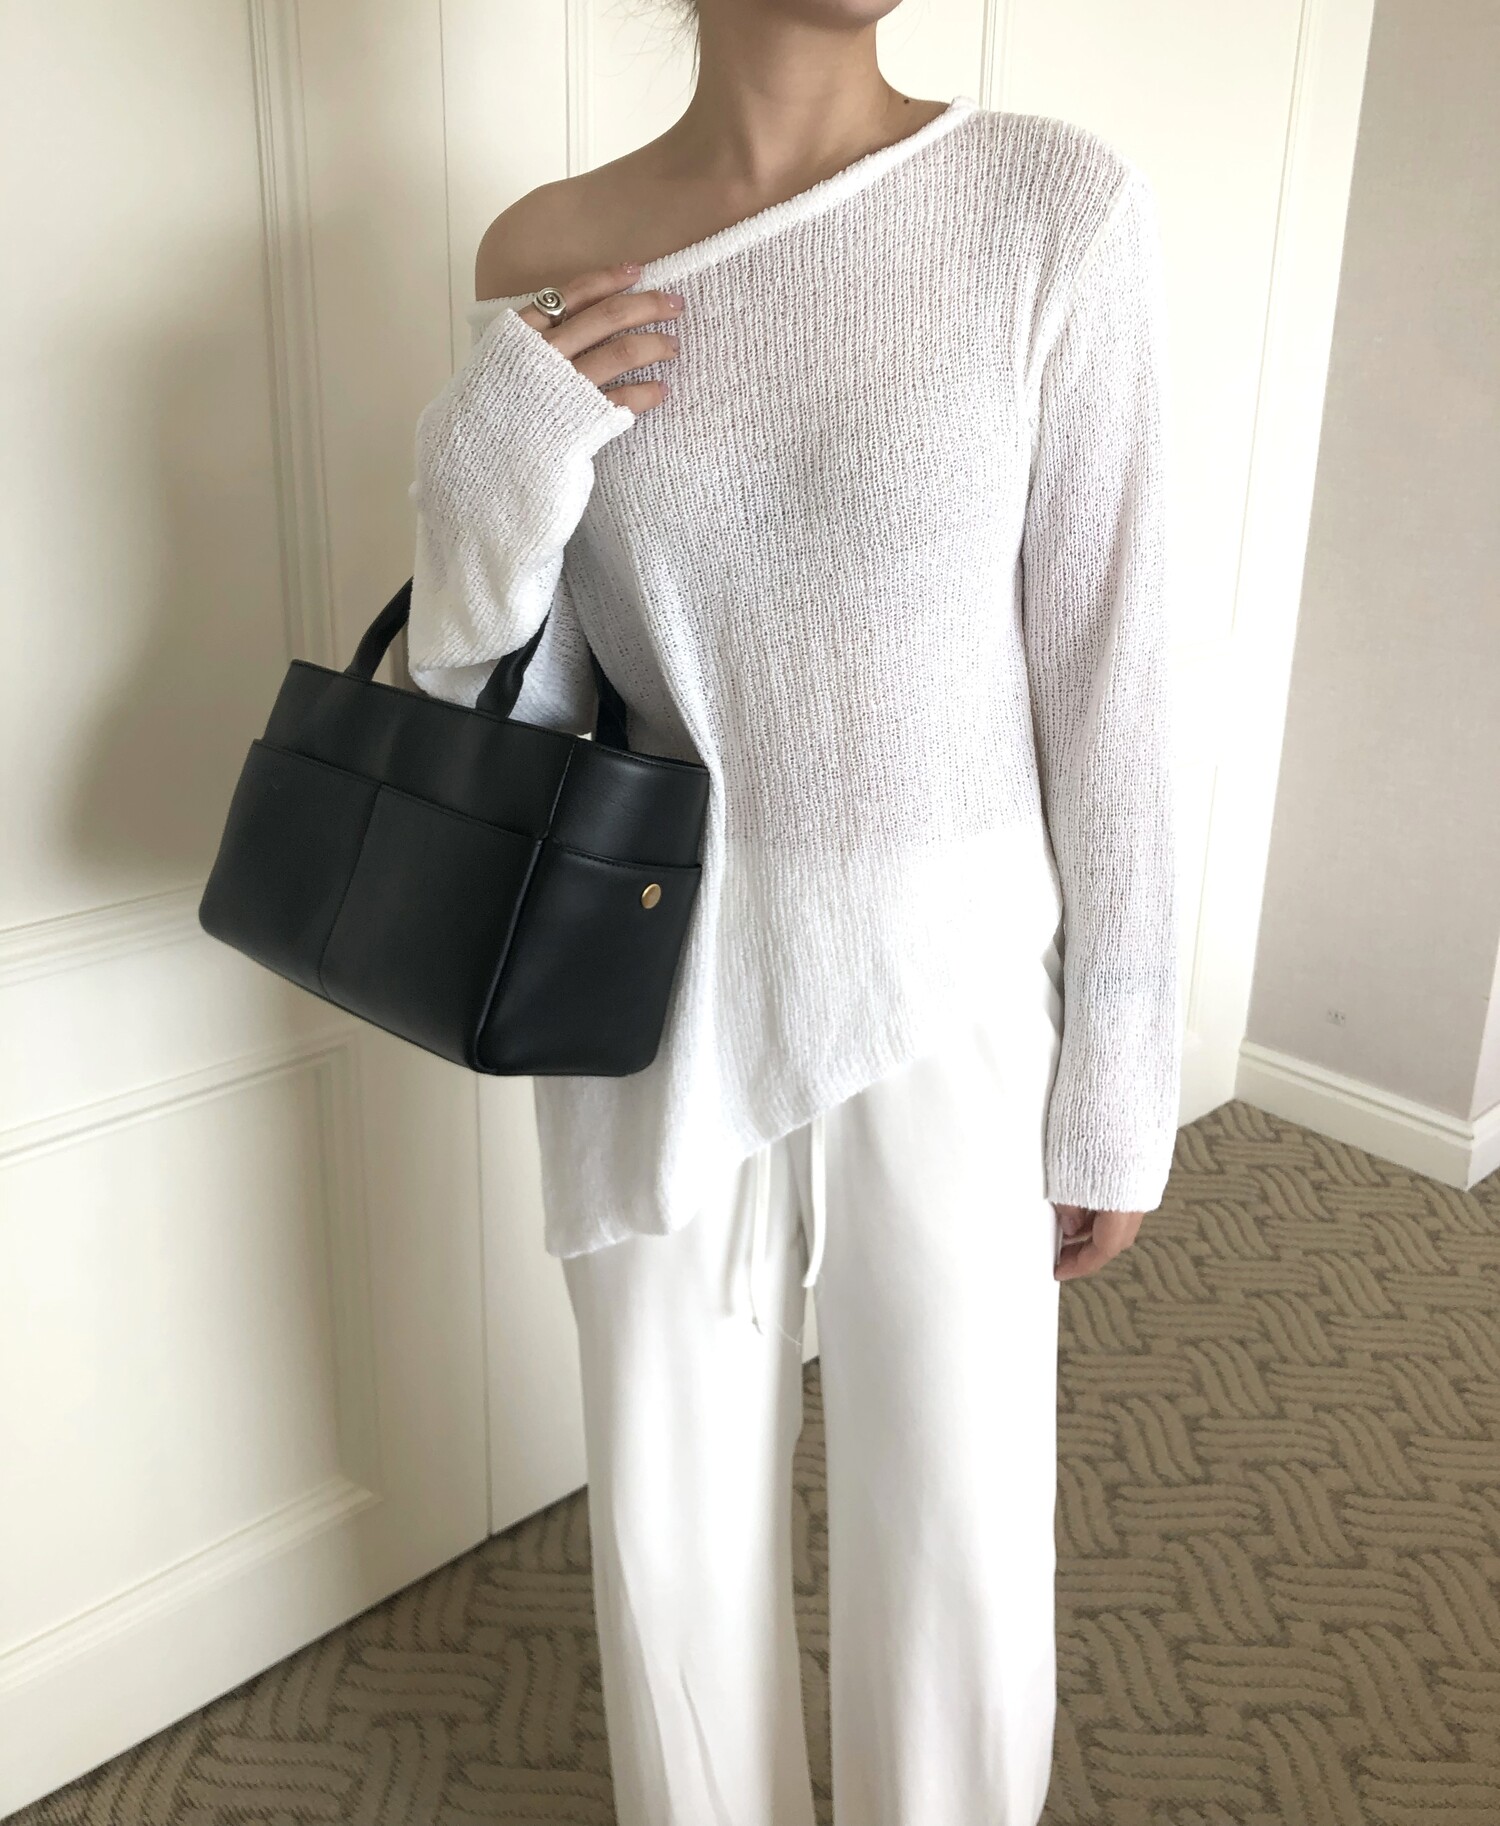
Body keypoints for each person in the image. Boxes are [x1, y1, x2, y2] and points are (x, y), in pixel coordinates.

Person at [404, 3, 1181, 1820]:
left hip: (951, 981)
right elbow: (513, 705)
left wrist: (1121, 1068)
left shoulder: (1048, 205)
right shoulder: (552, 246)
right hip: (648, 976)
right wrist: (489, 465)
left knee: (962, 1516)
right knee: (668, 1521)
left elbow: (1114, 671)